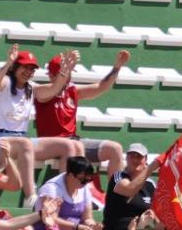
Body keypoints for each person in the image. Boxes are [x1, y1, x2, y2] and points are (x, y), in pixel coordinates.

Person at [0, 45, 81, 207]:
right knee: (25, 144)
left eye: (32, 69)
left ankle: (66, 194)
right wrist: (7, 63)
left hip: (22, 141)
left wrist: (64, 70)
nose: (28, 72)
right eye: (25, 67)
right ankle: (30, 197)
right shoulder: (5, 83)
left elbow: (54, 88)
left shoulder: (31, 88)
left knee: (69, 145)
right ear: (15, 67)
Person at [34, 50, 127, 186]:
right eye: (66, 72)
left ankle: (117, 193)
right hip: (50, 144)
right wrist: (63, 73)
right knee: (72, 146)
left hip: (73, 141)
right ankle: (67, 194)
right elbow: (54, 89)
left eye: (70, 72)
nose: (69, 76)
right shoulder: (41, 91)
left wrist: (117, 67)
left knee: (115, 149)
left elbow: (101, 87)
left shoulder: (72, 91)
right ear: (52, 75)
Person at [34, 156, 102, 230]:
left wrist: (92, 225)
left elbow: (87, 217)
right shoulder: (52, 188)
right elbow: (50, 220)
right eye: (82, 179)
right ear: (70, 175)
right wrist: (76, 227)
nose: (85, 182)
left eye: (88, 179)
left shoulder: (84, 188)